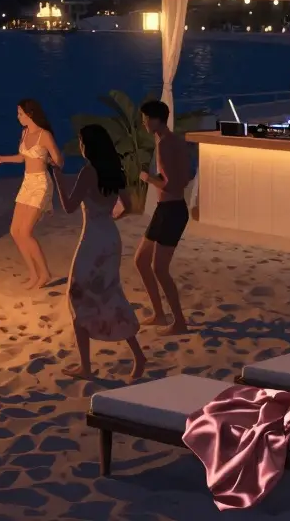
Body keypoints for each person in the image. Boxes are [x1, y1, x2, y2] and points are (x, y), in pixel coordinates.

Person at [55, 124, 145, 380]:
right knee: (111, 295)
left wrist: (59, 180)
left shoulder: (88, 172)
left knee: (77, 295)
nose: (80, 146)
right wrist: (110, 217)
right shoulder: (114, 171)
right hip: (110, 238)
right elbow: (127, 205)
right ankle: (138, 355)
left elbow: (70, 206)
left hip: (93, 239)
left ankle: (86, 366)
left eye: (82, 142)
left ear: (89, 146)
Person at [0, 99, 63, 289]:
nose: (18, 117)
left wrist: (52, 162)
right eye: (18, 113)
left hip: (41, 184)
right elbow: (23, 157)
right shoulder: (24, 133)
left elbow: (59, 160)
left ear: (30, 114)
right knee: (15, 231)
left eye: (20, 113)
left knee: (26, 232)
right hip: (27, 183)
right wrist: (2, 159)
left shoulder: (44, 135)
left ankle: (45, 273)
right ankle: (33, 274)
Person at [135, 99, 191, 335]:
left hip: (172, 211)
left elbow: (173, 186)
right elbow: (186, 175)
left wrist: (148, 178)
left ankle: (178, 321)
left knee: (159, 269)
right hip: (164, 210)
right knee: (140, 261)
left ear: (158, 119)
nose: (144, 123)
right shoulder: (172, 141)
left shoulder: (166, 145)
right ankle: (159, 314)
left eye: (147, 118)